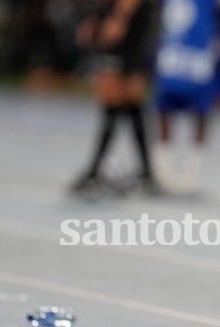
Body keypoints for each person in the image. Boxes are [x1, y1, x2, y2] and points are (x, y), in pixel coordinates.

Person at [71, 0, 156, 196]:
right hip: (129, 52)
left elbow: (115, 28)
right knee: (131, 114)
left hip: (124, 55)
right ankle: (146, 173)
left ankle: (94, 171)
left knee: (115, 113)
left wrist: (116, 21)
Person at [151, 0, 220, 193]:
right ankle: (162, 168)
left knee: (201, 113)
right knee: (164, 110)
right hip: (174, 54)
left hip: (198, 57)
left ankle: (192, 171)